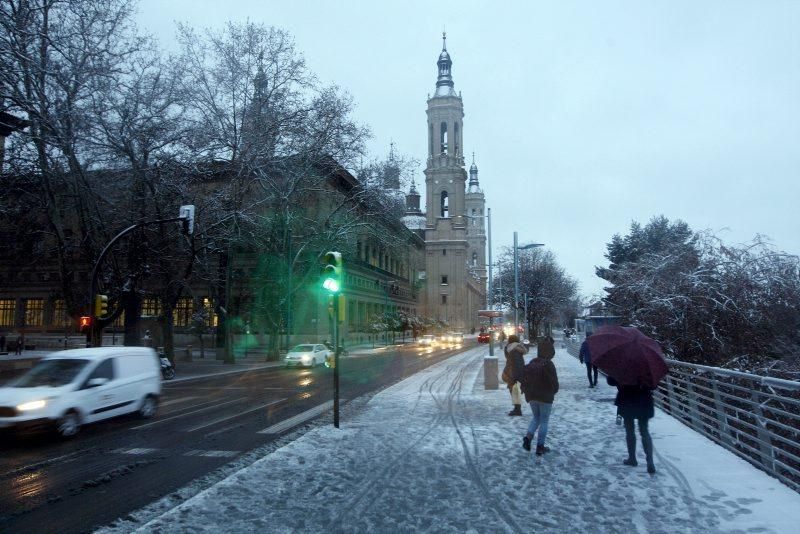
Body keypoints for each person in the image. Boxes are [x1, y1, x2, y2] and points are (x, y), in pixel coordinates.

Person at [608, 376, 656, 474]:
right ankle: (650, 461)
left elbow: (611, 381)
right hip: (644, 401)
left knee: (630, 431)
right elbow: (654, 386)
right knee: (644, 431)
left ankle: (632, 458)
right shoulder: (646, 365)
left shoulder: (622, 364)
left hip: (627, 400)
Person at [521, 338, 560, 455]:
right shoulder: (549, 364)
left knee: (536, 417)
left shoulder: (533, 362)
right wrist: (553, 391)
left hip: (532, 396)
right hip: (545, 397)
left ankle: (528, 438)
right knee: (544, 421)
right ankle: (540, 446)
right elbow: (555, 383)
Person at [501, 334, 528, 416]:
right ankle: (517, 409)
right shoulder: (513, 349)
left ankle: (517, 410)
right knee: (515, 392)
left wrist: (515, 377)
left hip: (514, 375)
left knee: (515, 392)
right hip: (514, 373)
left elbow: (516, 364)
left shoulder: (513, 351)